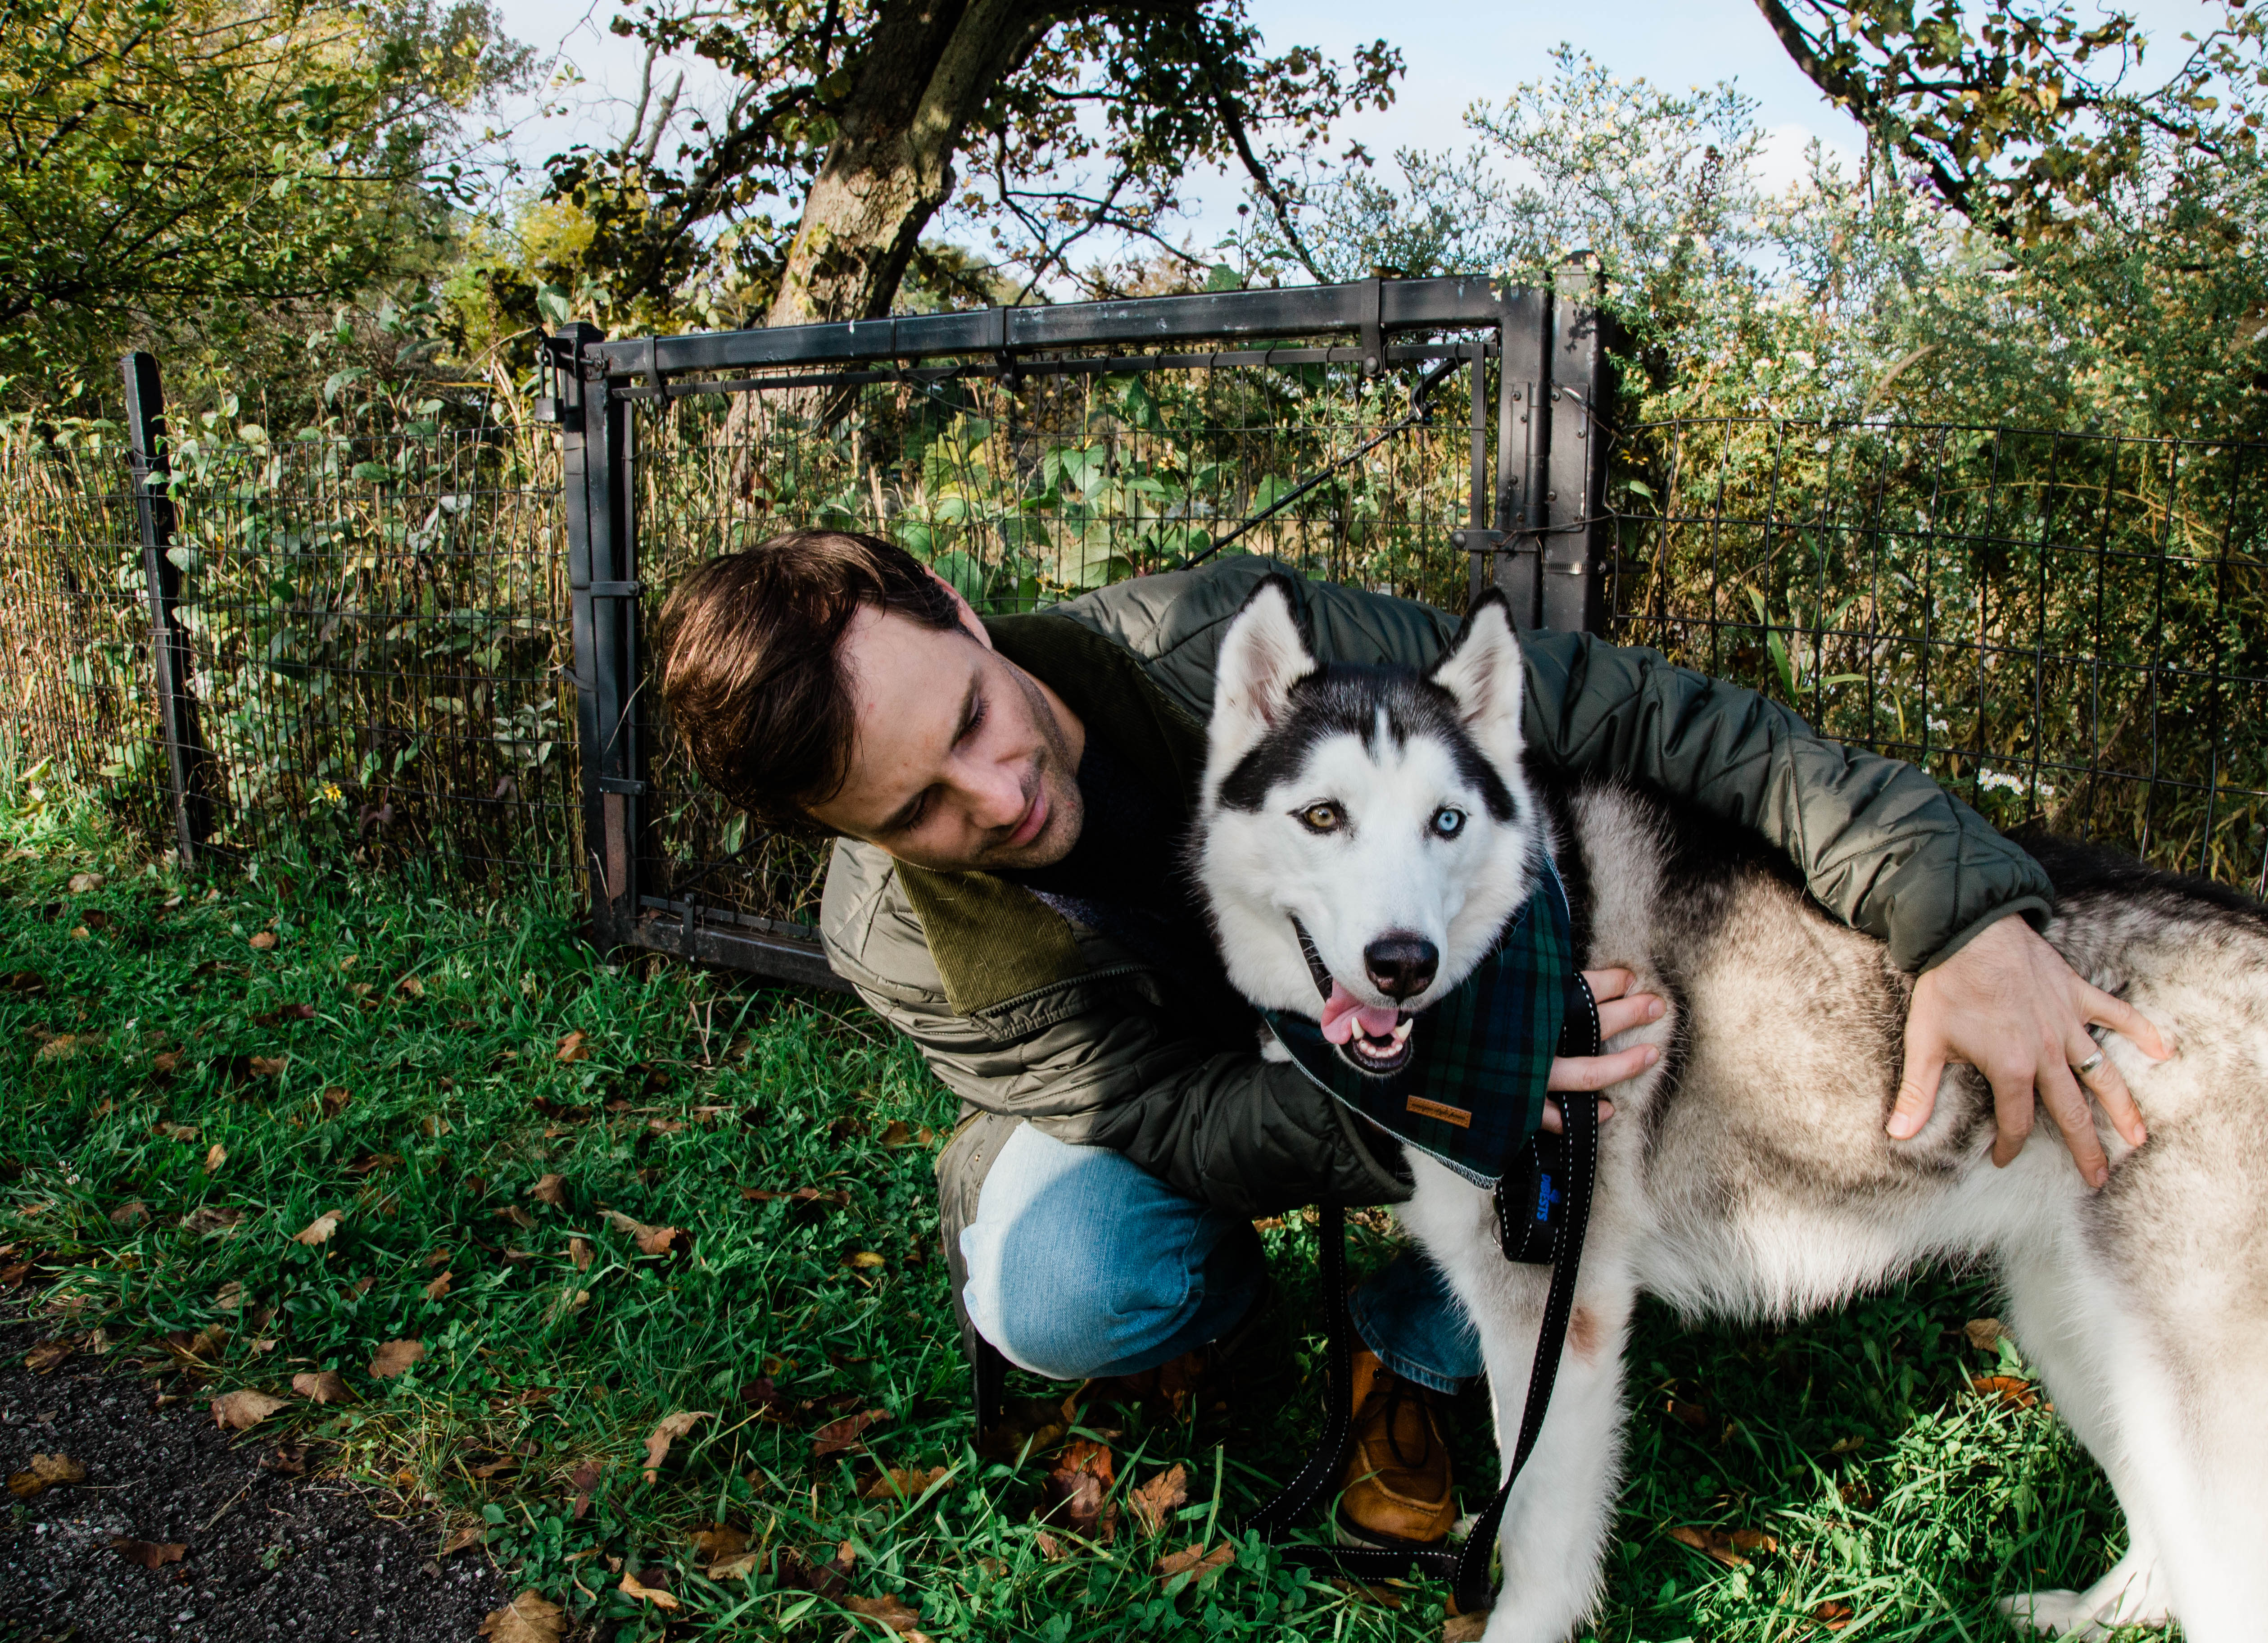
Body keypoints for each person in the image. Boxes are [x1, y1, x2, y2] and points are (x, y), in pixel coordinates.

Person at [656, 529, 2169, 1552]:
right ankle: (1244, 1326)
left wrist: (1955, 908)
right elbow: (1173, 1119)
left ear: (968, 619)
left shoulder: (1235, 641)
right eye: (915, 808)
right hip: (1205, 1099)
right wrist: (1416, 1091)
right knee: (1073, 1284)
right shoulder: (882, 939)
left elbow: (1634, 714)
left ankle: (1413, 1341)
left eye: (976, 718)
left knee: (1593, 1003)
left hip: (1410, 1025)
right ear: (825, 832)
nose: (992, 798)